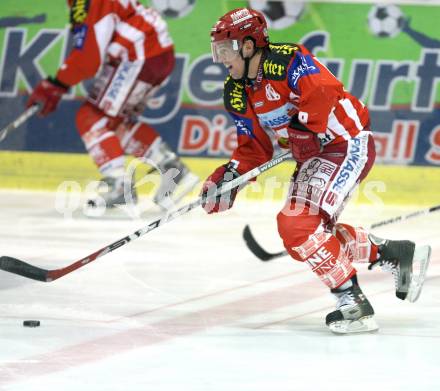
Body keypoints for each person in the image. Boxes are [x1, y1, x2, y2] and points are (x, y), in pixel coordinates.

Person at [201, 8, 431, 334]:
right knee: (301, 238)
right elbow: (254, 147)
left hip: (345, 141)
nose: (222, 59)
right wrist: (228, 179)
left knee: (297, 225)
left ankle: (352, 303)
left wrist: (305, 126)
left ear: (249, 46)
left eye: (226, 50)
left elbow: (323, 89)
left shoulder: (286, 59)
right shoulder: (236, 90)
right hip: (317, 155)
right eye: (218, 52)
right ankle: (394, 252)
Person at [27, 0, 198, 209]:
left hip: (138, 53)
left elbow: (88, 58)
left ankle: (119, 188)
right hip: (154, 51)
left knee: (92, 117)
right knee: (115, 122)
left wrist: (56, 84)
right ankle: (172, 170)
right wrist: (59, 83)